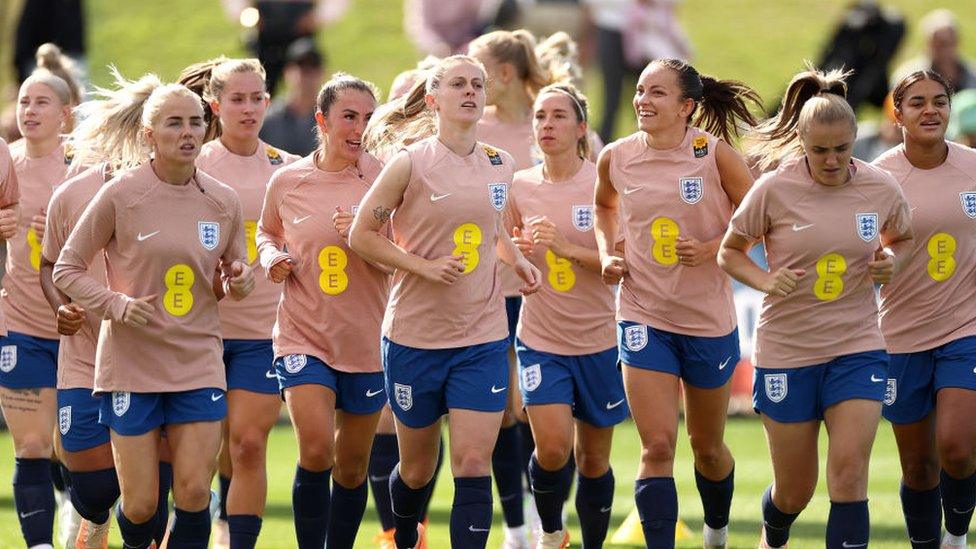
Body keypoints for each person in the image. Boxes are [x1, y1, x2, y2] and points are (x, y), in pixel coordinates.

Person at [349, 54, 541, 549]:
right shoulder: (410, 163)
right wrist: (421, 266)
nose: (471, 91)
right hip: (415, 337)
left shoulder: (502, 164)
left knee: (473, 464)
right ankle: (405, 530)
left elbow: (491, 227)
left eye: (477, 84)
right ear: (433, 99)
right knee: (416, 469)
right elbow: (362, 236)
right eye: (458, 84)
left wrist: (515, 259)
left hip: (481, 336)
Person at [718, 66, 914, 549]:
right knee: (795, 491)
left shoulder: (880, 187)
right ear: (801, 141)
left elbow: (903, 239)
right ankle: (775, 532)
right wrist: (766, 279)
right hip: (788, 350)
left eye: (842, 149)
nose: (831, 160)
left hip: (858, 347)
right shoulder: (773, 190)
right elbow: (729, 252)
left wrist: (890, 261)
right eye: (819, 150)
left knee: (848, 476)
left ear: (854, 140)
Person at [53, 82, 255, 549]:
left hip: (198, 361)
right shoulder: (122, 194)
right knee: (142, 505)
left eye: (195, 122)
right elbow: (67, 267)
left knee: (192, 492)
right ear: (149, 134)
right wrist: (116, 305)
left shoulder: (222, 199)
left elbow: (232, 272)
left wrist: (238, 281)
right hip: (131, 364)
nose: (187, 132)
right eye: (174, 123)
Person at [593, 58, 760, 549]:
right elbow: (604, 207)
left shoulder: (714, 154)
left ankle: (717, 532)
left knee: (707, 449)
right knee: (658, 445)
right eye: (640, 90)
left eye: (657, 93)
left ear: (687, 107)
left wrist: (713, 249)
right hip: (643, 314)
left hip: (708, 322)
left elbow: (757, 218)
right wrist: (608, 251)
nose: (643, 99)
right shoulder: (617, 156)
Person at [38, 69, 172, 549]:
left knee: (150, 499)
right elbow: (50, 264)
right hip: (85, 358)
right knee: (95, 489)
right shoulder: (72, 193)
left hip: (158, 364)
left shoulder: (188, 193)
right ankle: (93, 522)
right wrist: (63, 309)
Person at [256, 72, 387, 549]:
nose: (360, 128)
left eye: (368, 118)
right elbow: (267, 232)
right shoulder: (287, 180)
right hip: (302, 334)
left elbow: (410, 248)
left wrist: (368, 233)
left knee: (352, 466)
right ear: (322, 120)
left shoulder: (386, 177)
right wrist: (272, 258)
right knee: (315, 450)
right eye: (349, 116)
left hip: (367, 341)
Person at [508, 82, 625, 548]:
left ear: (581, 128)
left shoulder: (603, 186)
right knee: (552, 449)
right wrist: (517, 256)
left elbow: (621, 266)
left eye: (558, 116)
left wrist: (566, 248)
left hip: (599, 341)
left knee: (593, 459)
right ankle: (551, 533)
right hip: (540, 339)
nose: (547, 125)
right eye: (539, 116)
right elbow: (506, 252)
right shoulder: (518, 186)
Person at [190, 57, 299, 549]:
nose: (249, 107)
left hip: (262, 334)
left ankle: (237, 539)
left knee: (249, 443)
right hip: (197, 332)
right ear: (215, 105)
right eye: (237, 98)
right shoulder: (189, 165)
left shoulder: (289, 170)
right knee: (206, 449)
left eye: (257, 97)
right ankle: (205, 518)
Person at [873, 70, 976, 549]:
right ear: (898, 114)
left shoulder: (973, 167)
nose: (930, 110)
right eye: (917, 103)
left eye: (939, 101)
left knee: (956, 448)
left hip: (966, 327)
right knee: (917, 466)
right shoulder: (878, 177)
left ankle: (956, 537)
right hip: (901, 333)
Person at [467, 28, 552, 547]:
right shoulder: (473, 131)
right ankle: (516, 526)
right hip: (489, 291)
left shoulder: (554, 120)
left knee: (543, 412)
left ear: (502, 74)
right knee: (502, 410)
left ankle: (547, 515)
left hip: (548, 292)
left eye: (478, 72)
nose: (471, 85)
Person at [2, 68, 73, 549]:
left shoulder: (85, 168)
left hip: (78, 332)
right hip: (19, 326)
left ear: (65, 114)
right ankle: (39, 545)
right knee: (30, 445)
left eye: (42, 102)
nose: (30, 111)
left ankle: (84, 515)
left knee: (77, 452)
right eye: (25, 101)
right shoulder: (5, 162)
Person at [260, 38, 326, 156]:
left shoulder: (331, 121)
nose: (307, 74)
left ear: (322, 72)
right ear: (287, 72)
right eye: (301, 66)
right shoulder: (267, 120)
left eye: (313, 66)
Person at [893, 9, 976, 93]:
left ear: (958, 42)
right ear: (927, 45)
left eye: (949, 43)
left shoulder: (973, 74)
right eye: (939, 44)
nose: (945, 50)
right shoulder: (907, 77)